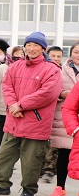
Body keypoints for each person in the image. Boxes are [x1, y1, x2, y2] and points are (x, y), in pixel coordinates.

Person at [0, 32, 62, 196]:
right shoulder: (16, 66)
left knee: (31, 161)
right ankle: (2, 184)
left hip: (36, 123)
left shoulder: (52, 69)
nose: (32, 48)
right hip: (14, 120)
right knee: (4, 156)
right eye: (29, 45)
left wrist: (21, 105)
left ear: (43, 48)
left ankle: (28, 189)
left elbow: (48, 93)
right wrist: (13, 105)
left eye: (36, 45)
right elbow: (7, 85)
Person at [49, 43, 79, 196]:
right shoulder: (60, 71)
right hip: (65, 116)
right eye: (76, 52)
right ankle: (60, 187)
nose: (78, 55)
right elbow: (53, 90)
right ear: (71, 53)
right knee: (64, 153)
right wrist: (63, 93)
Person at [41, 46, 65, 182]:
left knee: (54, 143)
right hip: (43, 110)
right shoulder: (43, 69)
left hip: (59, 111)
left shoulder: (63, 72)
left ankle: (49, 169)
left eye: (59, 56)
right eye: (53, 56)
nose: (56, 59)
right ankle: (39, 168)